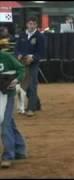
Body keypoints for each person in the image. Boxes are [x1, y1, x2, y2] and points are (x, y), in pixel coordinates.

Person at [0, 40, 27, 168]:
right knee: (8, 123)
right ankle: (20, 149)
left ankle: (8, 155)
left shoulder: (6, 57)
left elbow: (21, 69)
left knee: (4, 125)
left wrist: (16, 80)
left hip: (7, 95)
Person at [15, 16, 45, 117]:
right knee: (24, 86)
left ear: (36, 25)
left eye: (33, 24)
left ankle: (31, 108)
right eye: (29, 24)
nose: (31, 26)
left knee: (32, 85)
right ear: (27, 24)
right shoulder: (22, 35)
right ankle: (36, 103)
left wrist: (33, 58)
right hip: (22, 63)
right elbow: (17, 48)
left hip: (33, 63)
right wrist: (18, 54)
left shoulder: (40, 36)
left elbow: (41, 52)